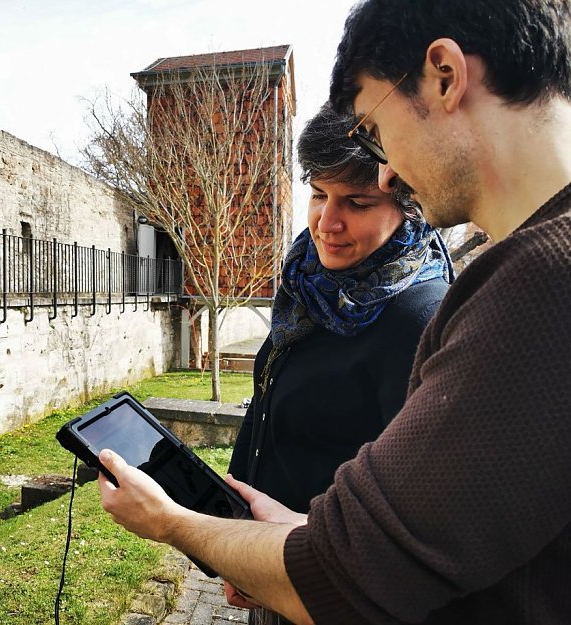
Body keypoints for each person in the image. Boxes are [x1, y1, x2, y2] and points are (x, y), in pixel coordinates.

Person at [98, 1, 571, 623]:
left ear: (445, 76)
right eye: (319, 194)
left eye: (376, 124)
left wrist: (173, 523)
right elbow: (423, 531)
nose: (388, 167)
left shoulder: (540, 281)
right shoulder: (524, 269)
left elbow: (352, 576)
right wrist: (278, 534)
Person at [226, 103, 451, 625]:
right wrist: (236, 539)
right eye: (319, 194)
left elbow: (412, 511)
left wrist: (292, 562)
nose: (328, 222)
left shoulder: (419, 318)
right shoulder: (307, 284)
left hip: (330, 588)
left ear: (406, 207)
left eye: (357, 201)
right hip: (266, 559)